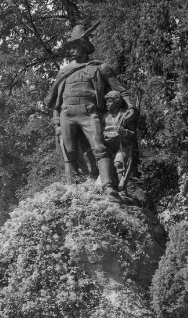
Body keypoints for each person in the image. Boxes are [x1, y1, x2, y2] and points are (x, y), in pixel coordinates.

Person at [44, 21, 136, 203]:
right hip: (66, 114)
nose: (71, 50)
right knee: (69, 153)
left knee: (99, 149)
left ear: (84, 46)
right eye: (69, 47)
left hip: (89, 112)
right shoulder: (64, 71)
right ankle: (71, 191)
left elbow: (121, 89)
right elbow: (55, 101)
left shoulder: (100, 67)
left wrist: (131, 106)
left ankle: (109, 188)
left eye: (74, 46)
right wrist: (56, 123)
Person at [102, 90, 141, 205]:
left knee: (119, 163)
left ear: (117, 102)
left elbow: (133, 134)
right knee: (107, 167)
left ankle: (123, 190)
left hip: (122, 145)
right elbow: (100, 132)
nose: (107, 104)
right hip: (108, 146)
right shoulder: (105, 117)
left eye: (109, 101)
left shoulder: (125, 115)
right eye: (106, 102)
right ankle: (111, 189)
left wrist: (124, 132)